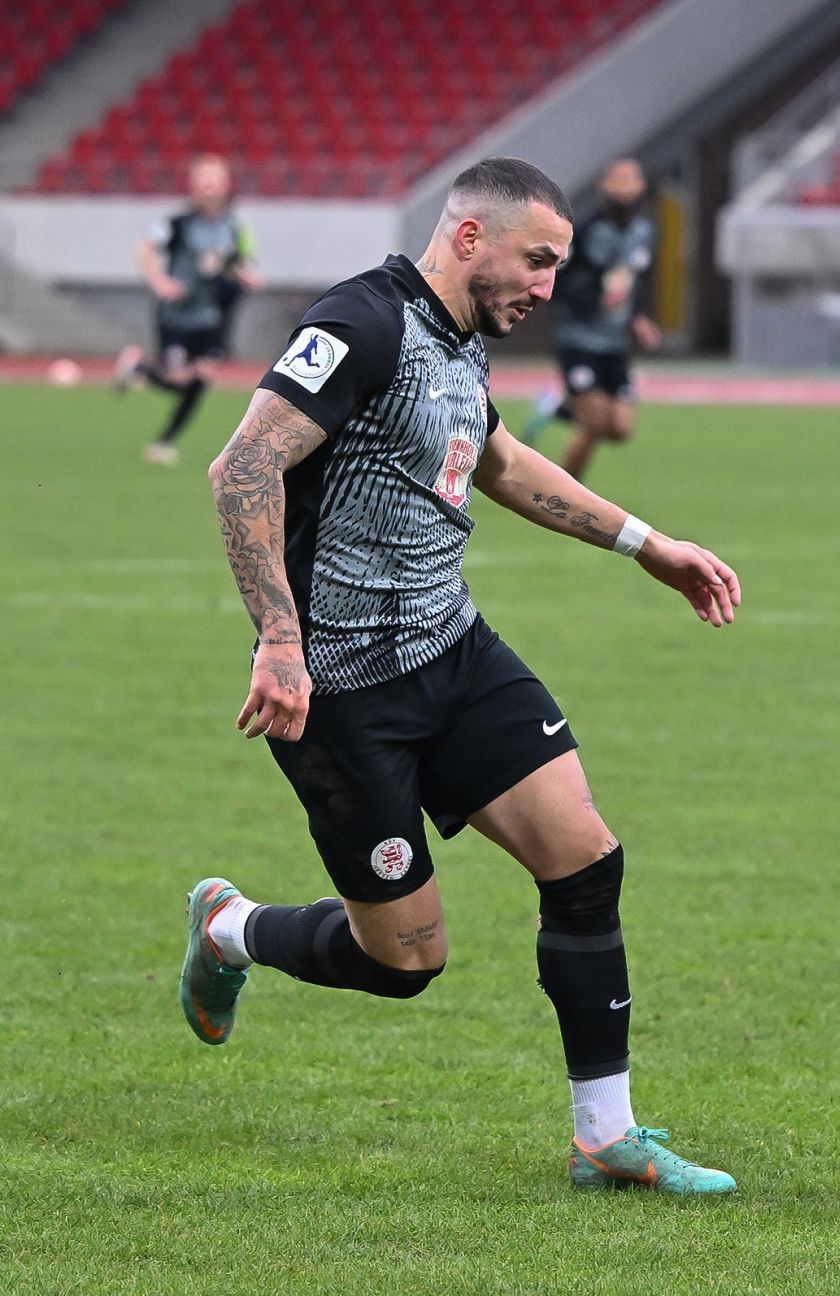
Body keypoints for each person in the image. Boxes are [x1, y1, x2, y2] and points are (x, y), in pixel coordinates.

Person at [183, 157, 743, 1194]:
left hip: (455, 650)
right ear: (471, 237)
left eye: (559, 267)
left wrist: (647, 544)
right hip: (342, 687)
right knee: (407, 964)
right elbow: (245, 466)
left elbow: (498, 461)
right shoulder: (362, 324)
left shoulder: (458, 343)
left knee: (585, 861)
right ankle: (231, 928)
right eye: (537, 260)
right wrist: (277, 638)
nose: (546, 285)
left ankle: (605, 1137)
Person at [518, 158, 662, 481]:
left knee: (621, 428)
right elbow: (561, 281)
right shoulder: (586, 232)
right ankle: (562, 492)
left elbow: (632, 280)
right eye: (618, 183)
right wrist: (594, 296)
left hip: (614, 342)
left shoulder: (643, 231)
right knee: (594, 424)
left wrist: (638, 318)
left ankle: (556, 407)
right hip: (578, 338)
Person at [116, 154, 261, 465]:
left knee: (203, 376)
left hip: (209, 316)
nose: (209, 190)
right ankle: (138, 369)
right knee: (179, 380)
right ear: (194, 187)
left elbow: (241, 266)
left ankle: (164, 442)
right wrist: (159, 281)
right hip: (176, 315)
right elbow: (144, 248)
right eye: (203, 183)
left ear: (225, 186)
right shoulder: (177, 223)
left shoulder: (234, 227)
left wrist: (240, 274)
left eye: (214, 183)